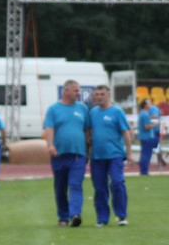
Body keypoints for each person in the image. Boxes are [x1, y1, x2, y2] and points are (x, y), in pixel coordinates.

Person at [43, 80, 90, 227]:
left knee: (76, 184)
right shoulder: (53, 109)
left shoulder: (82, 108)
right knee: (60, 187)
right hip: (59, 155)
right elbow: (49, 129)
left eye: (79, 90)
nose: (79, 93)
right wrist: (50, 145)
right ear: (66, 91)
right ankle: (63, 217)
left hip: (78, 155)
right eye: (76, 90)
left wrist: (88, 148)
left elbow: (87, 129)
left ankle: (75, 214)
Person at [88, 85, 131, 226]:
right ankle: (102, 218)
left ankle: (121, 215)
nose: (99, 97)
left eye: (102, 94)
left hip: (115, 155)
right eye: (97, 94)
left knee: (117, 182)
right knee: (100, 188)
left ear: (108, 95)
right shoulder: (93, 112)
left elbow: (126, 133)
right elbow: (89, 132)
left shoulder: (117, 111)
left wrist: (129, 154)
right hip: (97, 156)